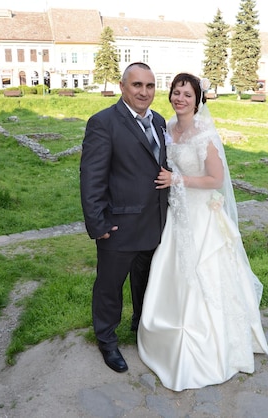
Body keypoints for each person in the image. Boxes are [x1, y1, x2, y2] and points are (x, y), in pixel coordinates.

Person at [137, 73, 268, 391]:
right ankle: (163, 336)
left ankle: (212, 345)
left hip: (200, 214)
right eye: (176, 92)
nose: (180, 98)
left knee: (202, 274)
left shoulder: (205, 133)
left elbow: (215, 180)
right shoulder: (166, 128)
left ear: (198, 100)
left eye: (187, 94)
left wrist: (177, 180)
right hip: (177, 214)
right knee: (170, 270)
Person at [80, 62, 168, 373]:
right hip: (118, 225)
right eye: (137, 85)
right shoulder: (104, 122)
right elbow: (91, 177)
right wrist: (97, 224)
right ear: (123, 87)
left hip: (155, 222)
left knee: (146, 283)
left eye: (150, 86)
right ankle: (106, 340)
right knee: (109, 287)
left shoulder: (159, 121)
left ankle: (140, 327)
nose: (144, 92)